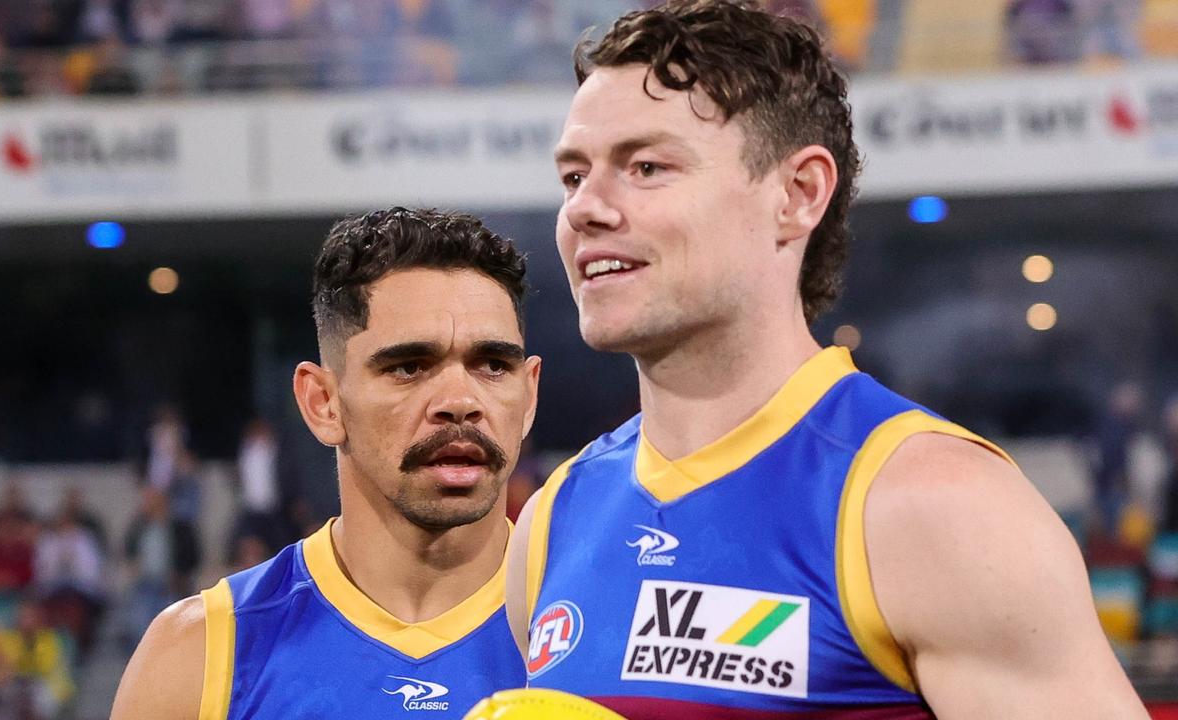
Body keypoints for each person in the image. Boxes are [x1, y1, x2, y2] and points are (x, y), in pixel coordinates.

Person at [502, 1, 1147, 717]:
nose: (585, 209)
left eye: (647, 166)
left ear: (798, 194)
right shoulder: (553, 520)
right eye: (572, 177)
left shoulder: (937, 507)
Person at [110, 207, 539, 719]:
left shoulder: (610, 629)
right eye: (408, 367)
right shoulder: (197, 658)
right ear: (323, 403)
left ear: (529, 396)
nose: (460, 400)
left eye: (493, 365)